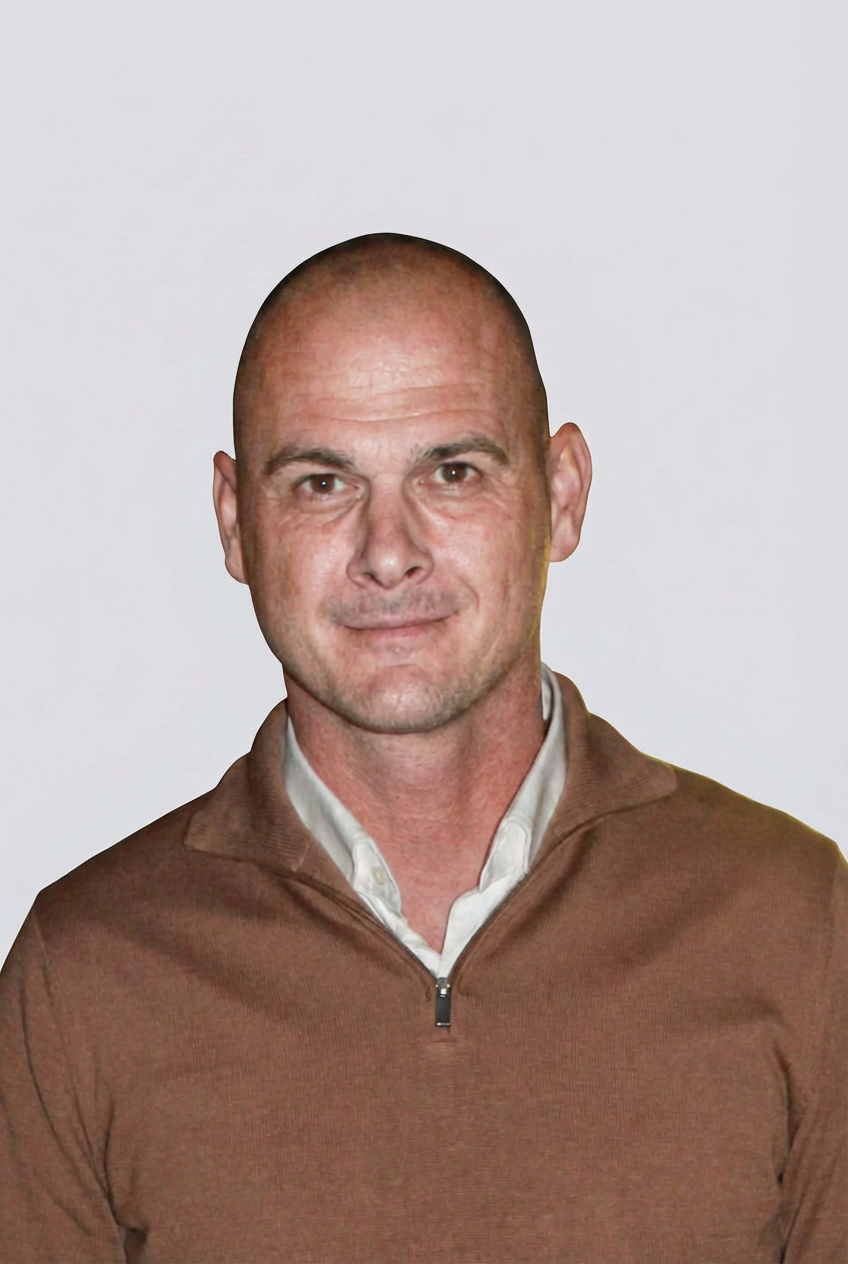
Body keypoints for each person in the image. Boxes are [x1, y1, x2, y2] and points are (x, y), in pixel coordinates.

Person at [0, 233, 844, 1264]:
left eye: (451, 472)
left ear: (562, 494)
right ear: (234, 521)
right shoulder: (86, 974)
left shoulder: (794, 923)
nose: (388, 552)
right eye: (321, 483)